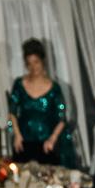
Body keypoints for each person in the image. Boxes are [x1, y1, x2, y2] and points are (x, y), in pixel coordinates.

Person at [6, 39, 78, 167]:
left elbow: (62, 118)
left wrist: (52, 139)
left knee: (49, 177)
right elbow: (12, 112)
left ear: (43, 61)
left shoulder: (54, 88)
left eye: (36, 62)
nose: (33, 67)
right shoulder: (19, 84)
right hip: (22, 142)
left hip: (47, 144)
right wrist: (16, 135)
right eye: (29, 63)